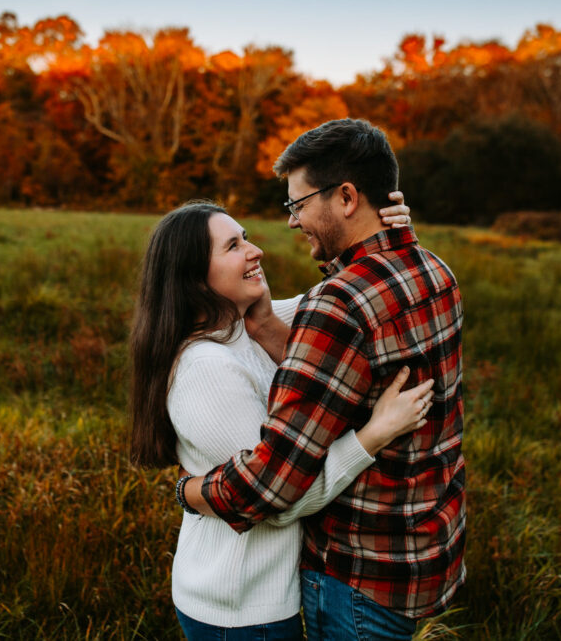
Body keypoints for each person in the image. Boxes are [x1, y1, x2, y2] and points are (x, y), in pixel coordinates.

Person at [181, 118, 465, 640]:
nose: (291, 222)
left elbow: (272, 483)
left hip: (358, 575)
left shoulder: (338, 308)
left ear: (347, 197)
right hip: (428, 554)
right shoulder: (434, 271)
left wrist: (190, 491)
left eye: (298, 204)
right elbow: (352, 349)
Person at [128, 199, 435, 640]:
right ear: (194, 278)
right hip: (240, 607)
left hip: (267, 594)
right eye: (233, 246)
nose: (256, 252)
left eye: (247, 238)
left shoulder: (245, 324)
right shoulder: (206, 370)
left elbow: (348, 296)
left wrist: (390, 237)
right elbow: (279, 499)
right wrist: (374, 434)